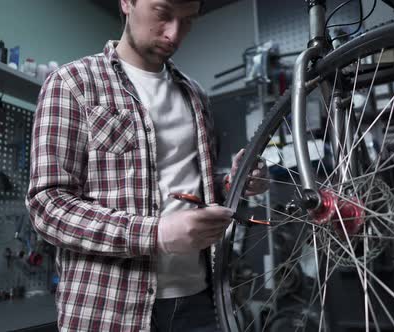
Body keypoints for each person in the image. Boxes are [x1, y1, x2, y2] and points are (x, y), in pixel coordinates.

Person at [26, 0, 268, 331]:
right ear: (127, 2)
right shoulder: (71, 84)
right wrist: (157, 234)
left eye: (187, 22)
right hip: (107, 308)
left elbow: (194, 190)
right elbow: (48, 207)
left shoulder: (195, 96)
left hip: (199, 303)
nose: (174, 34)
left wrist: (233, 184)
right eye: (163, 13)